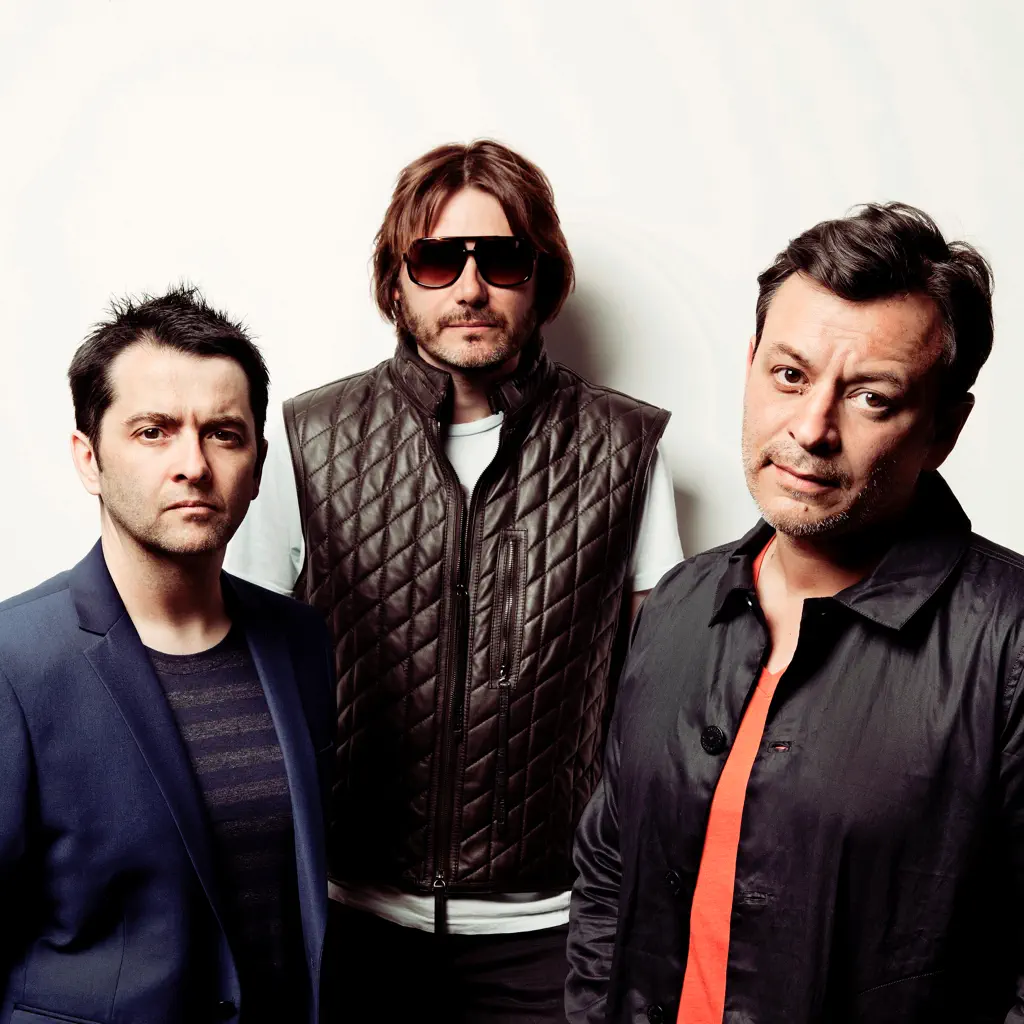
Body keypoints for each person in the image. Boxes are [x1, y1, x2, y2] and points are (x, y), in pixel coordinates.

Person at [225, 139, 683, 1021]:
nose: (470, 288)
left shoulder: (625, 451)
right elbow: (247, 679)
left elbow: (656, 693)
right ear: (396, 283)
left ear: (541, 279)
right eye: (437, 259)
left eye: (501, 259)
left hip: (552, 931)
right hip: (354, 920)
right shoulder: (313, 442)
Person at [565, 202, 1024, 1023]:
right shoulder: (678, 604)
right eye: (789, 375)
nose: (811, 429)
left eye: (872, 398)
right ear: (750, 365)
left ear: (945, 428)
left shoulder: (1011, 639)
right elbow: (610, 866)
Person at [0, 287, 335, 1024]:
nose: (194, 464)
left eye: (224, 433)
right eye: (153, 431)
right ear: (89, 459)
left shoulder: (301, 642)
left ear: (257, 464)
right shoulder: (14, 662)